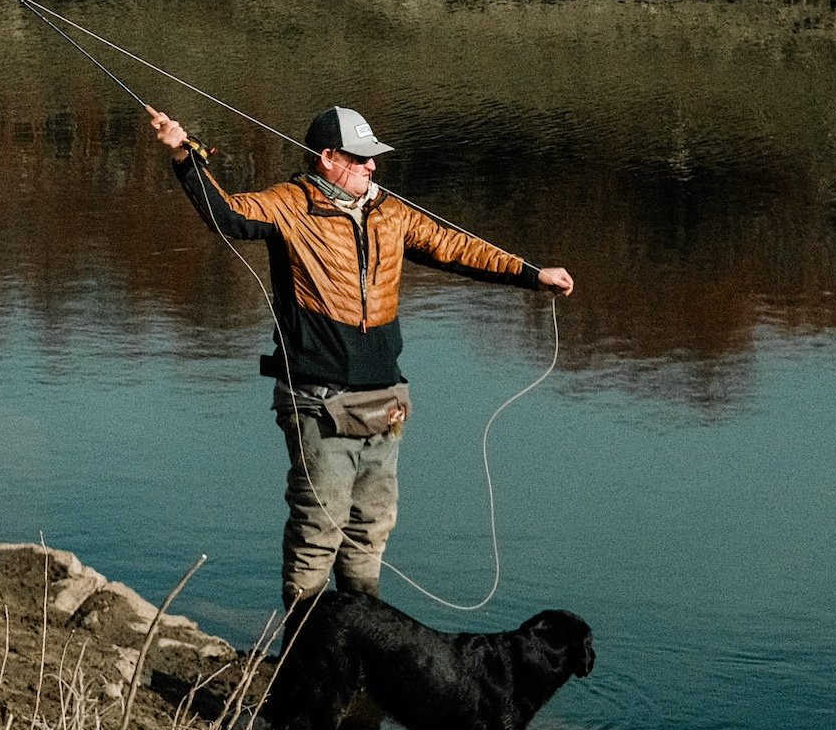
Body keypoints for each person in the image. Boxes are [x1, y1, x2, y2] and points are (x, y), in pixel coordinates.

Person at [146, 101, 574, 620]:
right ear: (327, 157)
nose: (373, 166)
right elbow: (228, 215)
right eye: (361, 157)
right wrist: (184, 157)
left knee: (371, 526)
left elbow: (457, 247)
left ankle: (358, 640)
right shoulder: (289, 205)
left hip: (387, 399)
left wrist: (532, 274)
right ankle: (300, 649)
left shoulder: (390, 211)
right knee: (316, 528)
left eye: (373, 158)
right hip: (316, 399)